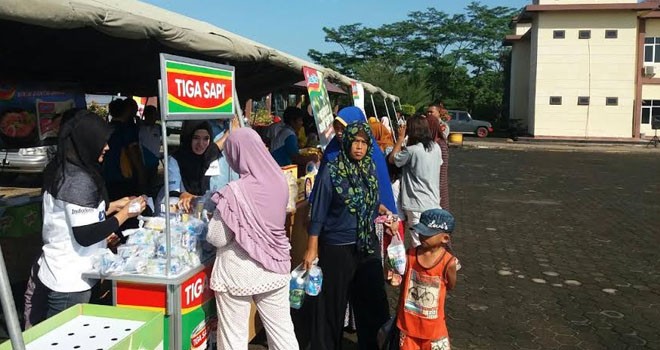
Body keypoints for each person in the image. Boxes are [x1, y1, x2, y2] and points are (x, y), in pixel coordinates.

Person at [38, 110, 146, 319]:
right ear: (86, 140)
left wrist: (114, 206)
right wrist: (126, 213)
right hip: (70, 280)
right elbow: (85, 234)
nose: (107, 147)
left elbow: (77, 216)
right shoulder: (76, 179)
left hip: (76, 272)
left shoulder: (69, 169)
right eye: (102, 141)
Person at [207, 128, 298, 350]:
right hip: (276, 266)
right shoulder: (280, 180)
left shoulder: (234, 192)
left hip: (238, 272)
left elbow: (217, 237)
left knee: (233, 339)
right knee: (283, 333)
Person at [303, 121, 391, 350]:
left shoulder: (369, 169)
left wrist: (382, 211)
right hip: (336, 246)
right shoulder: (332, 171)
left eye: (364, 142)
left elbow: (369, 200)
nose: (359, 147)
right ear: (347, 142)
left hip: (366, 243)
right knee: (332, 306)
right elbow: (319, 212)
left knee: (372, 302)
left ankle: (374, 345)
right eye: (355, 141)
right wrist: (312, 248)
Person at [315, 106, 397, 214]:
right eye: (337, 128)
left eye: (343, 128)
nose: (339, 133)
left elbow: (382, 190)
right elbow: (321, 186)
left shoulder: (373, 155)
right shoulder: (332, 150)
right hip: (337, 218)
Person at [396, 208, 458, 350]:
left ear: (445, 238)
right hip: (408, 325)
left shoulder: (448, 263)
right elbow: (398, 279)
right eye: (420, 232)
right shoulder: (410, 255)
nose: (422, 236)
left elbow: (451, 285)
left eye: (427, 234)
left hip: (434, 329)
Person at [389, 115, 442, 247]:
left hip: (416, 203)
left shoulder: (412, 150)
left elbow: (392, 159)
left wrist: (400, 138)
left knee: (418, 242)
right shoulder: (436, 148)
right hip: (433, 201)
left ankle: (419, 266)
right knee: (432, 240)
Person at [159, 119, 232, 213]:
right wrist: (183, 195)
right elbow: (172, 193)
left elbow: (218, 146)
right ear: (188, 138)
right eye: (196, 138)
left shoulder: (208, 155)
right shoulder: (176, 159)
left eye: (206, 139)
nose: (201, 144)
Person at [103, 98, 146, 200]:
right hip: (124, 178)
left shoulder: (105, 128)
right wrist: (142, 176)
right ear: (126, 111)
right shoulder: (127, 130)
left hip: (106, 177)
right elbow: (134, 154)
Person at [427, 104, 451, 210]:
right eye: (428, 112)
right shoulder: (427, 124)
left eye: (431, 112)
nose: (429, 114)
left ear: (438, 113)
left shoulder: (443, 126)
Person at [138, 105, 162, 195]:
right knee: (143, 189)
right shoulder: (140, 128)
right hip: (142, 163)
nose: (154, 117)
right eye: (151, 114)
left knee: (153, 188)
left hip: (154, 162)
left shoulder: (158, 127)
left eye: (155, 115)